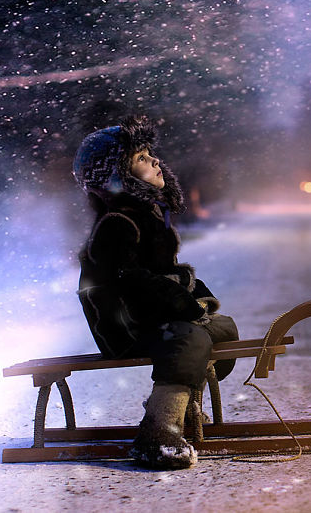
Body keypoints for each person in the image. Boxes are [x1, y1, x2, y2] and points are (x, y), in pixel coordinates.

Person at [72, 115, 239, 470]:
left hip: (150, 316)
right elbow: (131, 282)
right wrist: (181, 304)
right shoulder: (117, 223)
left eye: (152, 154)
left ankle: (184, 406)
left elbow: (165, 274)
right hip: (121, 323)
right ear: (118, 174)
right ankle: (157, 433)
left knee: (224, 330)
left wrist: (197, 296)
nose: (155, 161)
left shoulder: (148, 215)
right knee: (188, 338)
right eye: (141, 159)